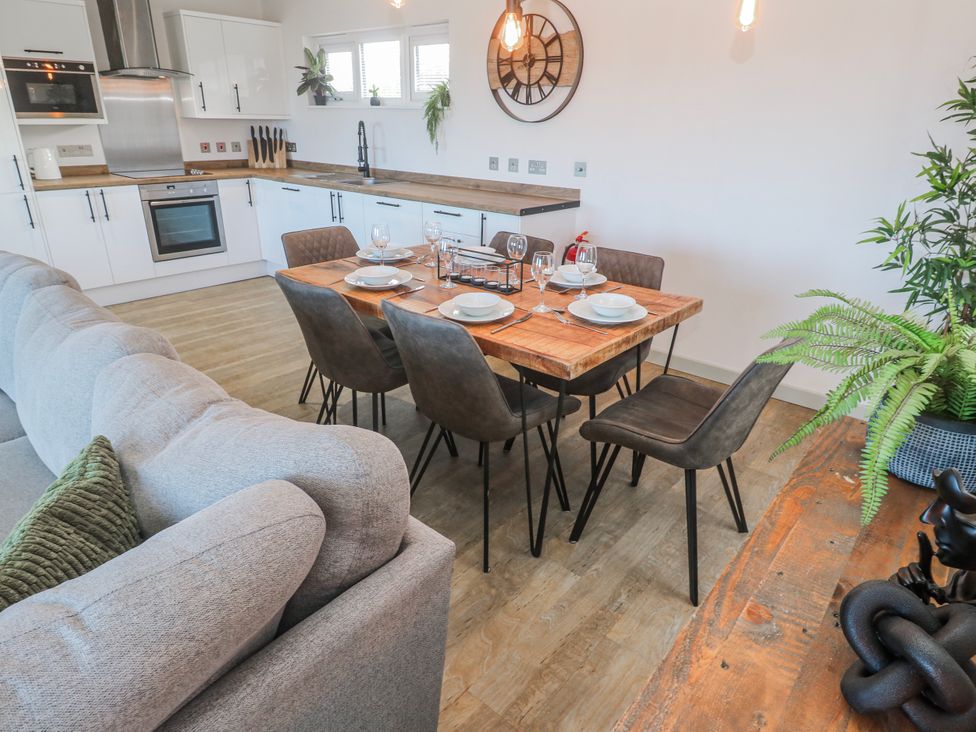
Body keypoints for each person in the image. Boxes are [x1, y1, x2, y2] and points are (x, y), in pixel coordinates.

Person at [892, 468, 976, 606]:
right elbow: (952, 602)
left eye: (966, 513)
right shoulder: (969, 576)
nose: (928, 517)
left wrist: (915, 607)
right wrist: (927, 587)